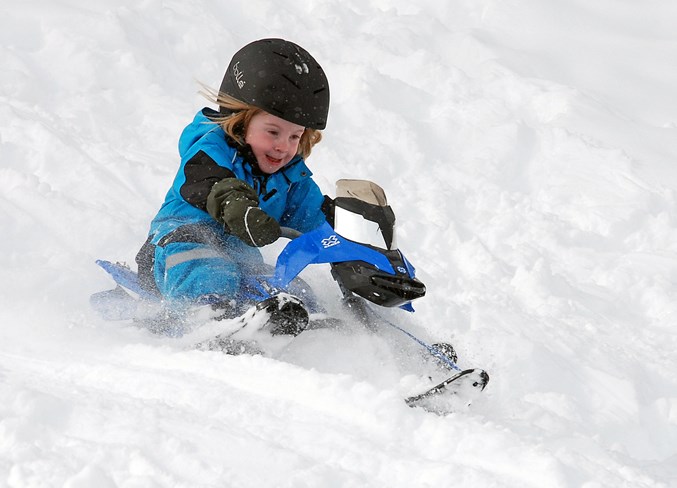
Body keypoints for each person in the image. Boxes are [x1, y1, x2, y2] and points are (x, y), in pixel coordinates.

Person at [135, 38, 331, 333]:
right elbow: (211, 184)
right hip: (174, 250)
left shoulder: (290, 176)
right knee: (212, 270)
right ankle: (206, 323)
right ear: (241, 118)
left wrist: (360, 242)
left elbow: (316, 220)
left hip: (239, 260)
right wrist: (236, 206)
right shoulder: (210, 148)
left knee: (293, 289)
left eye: (295, 136)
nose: (283, 147)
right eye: (273, 131)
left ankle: (311, 333)